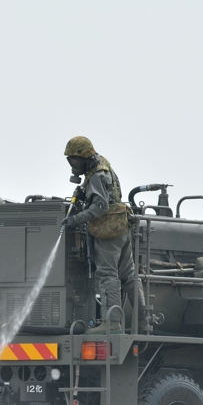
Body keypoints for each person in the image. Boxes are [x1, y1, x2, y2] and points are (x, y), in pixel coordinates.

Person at [60, 136, 137, 334]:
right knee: (128, 275)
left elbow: (101, 206)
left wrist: (75, 220)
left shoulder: (95, 175)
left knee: (107, 274)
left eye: (75, 161)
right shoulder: (102, 164)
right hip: (121, 225)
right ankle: (144, 319)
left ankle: (111, 323)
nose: (72, 165)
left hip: (107, 229)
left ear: (84, 157)